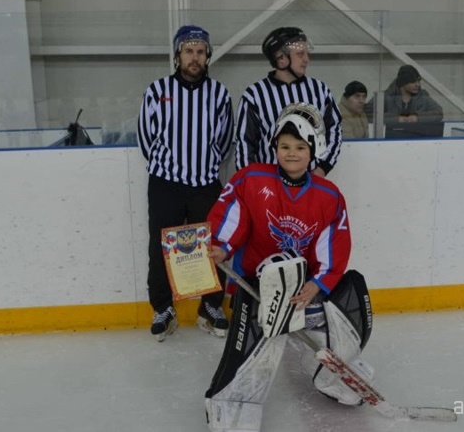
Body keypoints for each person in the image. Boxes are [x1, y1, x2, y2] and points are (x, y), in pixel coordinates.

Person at [204, 103, 373, 432]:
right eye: (284, 146)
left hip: (303, 288)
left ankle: (337, 378)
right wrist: (221, 247)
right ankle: (234, 402)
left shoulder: (329, 197)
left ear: (313, 150)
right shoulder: (251, 179)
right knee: (257, 348)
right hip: (256, 287)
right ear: (274, 149)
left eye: (300, 147)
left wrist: (320, 285)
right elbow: (230, 218)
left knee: (336, 315)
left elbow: (333, 247)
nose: (291, 154)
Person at [137, 25, 234, 342]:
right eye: (189, 51)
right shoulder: (157, 90)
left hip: (205, 183)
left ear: (208, 56)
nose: (195, 57)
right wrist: (170, 166)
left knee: (210, 245)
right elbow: (146, 138)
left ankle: (210, 306)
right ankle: (163, 308)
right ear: (178, 55)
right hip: (165, 183)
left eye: (201, 52)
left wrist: (200, 166)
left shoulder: (219, 94)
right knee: (160, 245)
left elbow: (223, 141)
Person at [235, 27, 343, 177]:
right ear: (281, 59)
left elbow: (334, 129)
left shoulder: (320, 90)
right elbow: (245, 144)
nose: (307, 59)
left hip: (309, 182)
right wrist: (251, 181)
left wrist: (322, 168)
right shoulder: (254, 95)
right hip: (270, 183)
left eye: (306, 53)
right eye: (300, 54)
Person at [372, 64, 443, 123]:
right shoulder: (385, 97)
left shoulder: (423, 97)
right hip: (391, 138)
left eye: (418, 81)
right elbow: (368, 115)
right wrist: (396, 119)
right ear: (403, 82)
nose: (418, 84)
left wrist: (417, 117)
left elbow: (439, 113)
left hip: (416, 137)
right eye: (413, 81)